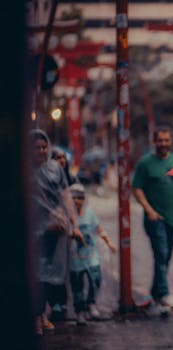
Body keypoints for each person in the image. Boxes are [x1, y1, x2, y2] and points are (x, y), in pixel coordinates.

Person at [132, 125, 173, 311]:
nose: (163, 144)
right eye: (160, 140)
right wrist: (149, 210)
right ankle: (163, 295)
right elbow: (136, 189)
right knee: (161, 254)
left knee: (165, 257)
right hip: (154, 219)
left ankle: (154, 293)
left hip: (172, 219)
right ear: (154, 141)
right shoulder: (145, 163)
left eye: (166, 140)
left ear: (171, 141)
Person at [29, 129, 84, 336]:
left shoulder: (55, 169)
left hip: (56, 228)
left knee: (52, 276)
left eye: (45, 147)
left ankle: (42, 314)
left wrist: (74, 223)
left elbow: (66, 195)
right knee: (36, 275)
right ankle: (36, 317)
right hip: (34, 231)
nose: (42, 152)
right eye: (37, 148)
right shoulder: (23, 170)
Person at [68, 183, 117, 325]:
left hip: (91, 254)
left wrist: (109, 243)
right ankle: (79, 311)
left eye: (80, 198)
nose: (77, 201)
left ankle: (91, 303)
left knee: (95, 279)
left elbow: (99, 229)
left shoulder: (90, 213)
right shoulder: (66, 215)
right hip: (75, 256)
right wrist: (71, 233)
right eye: (74, 198)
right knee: (77, 284)